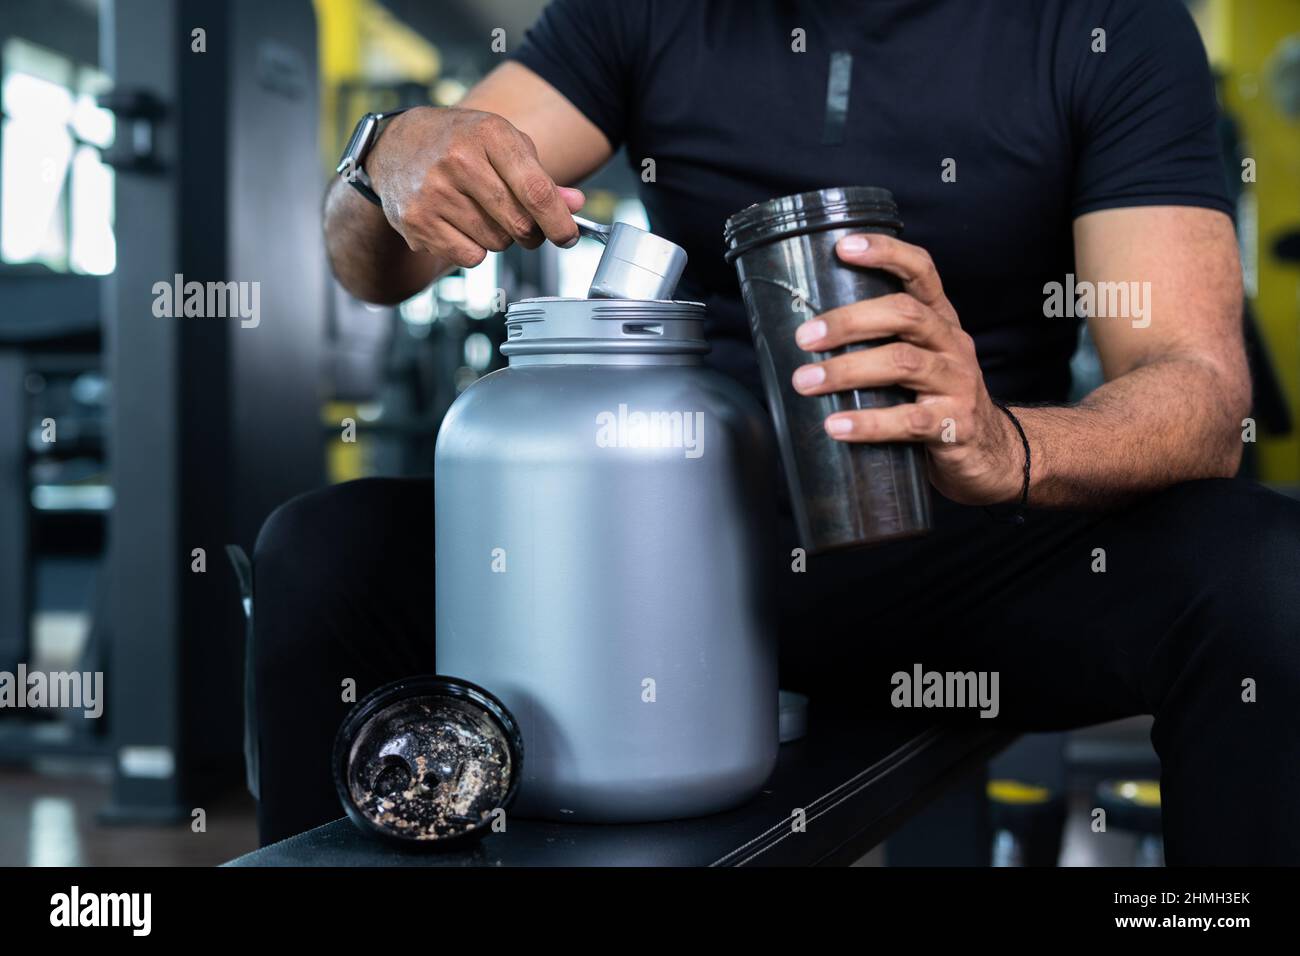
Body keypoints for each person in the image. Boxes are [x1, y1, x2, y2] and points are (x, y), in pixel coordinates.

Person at [255, 0, 1300, 862]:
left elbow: (1198, 387)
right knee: (327, 550)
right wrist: (383, 158)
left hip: (973, 547)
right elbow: (375, 267)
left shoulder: (1102, 24)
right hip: (682, 546)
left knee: (1261, 568)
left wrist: (1005, 444)